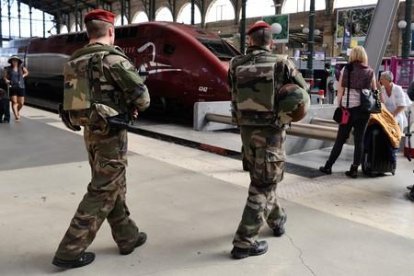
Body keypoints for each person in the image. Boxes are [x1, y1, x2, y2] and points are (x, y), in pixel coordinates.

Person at [52, 9, 150, 269]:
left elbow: (76, 102)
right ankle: (70, 250)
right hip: (111, 134)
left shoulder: (75, 61)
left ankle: (127, 236)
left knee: (110, 183)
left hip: (90, 132)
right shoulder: (113, 60)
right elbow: (143, 98)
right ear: (110, 31)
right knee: (103, 188)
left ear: (88, 32)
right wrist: (130, 104)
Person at [228, 21, 309, 259]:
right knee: (263, 184)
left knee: (263, 179)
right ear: (270, 41)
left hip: (245, 132)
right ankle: (244, 242)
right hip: (271, 133)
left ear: (250, 41)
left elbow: (231, 92)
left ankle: (277, 220)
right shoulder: (281, 63)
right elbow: (301, 92)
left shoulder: (235, 64)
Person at [319, 46, 377, 178]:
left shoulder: (347, 69)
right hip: (363, 111)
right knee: (359, 141)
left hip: (348, 110)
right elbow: (375, 91)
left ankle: (328, 166)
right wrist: (378, 105)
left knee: (340, 139)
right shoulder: (370, 71)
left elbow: (340, 91)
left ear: (353, 56)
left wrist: (340, 105)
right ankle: (354, 169)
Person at [3, 55, 28, 121]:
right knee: (14, 102)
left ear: (18, 61)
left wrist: (23, 75)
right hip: (12, 87)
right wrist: (6, 80)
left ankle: (17, 111)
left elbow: (27, 72)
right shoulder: (8, 68)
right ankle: (16, 115)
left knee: (21, 103)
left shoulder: (21, 68)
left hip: (21, 86)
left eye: (16, 60)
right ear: (11, 61)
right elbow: (5, 77)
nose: (14, 62)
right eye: (13, 60)